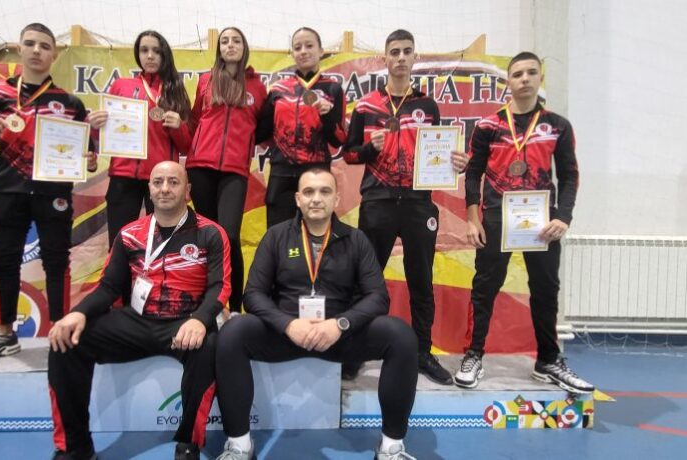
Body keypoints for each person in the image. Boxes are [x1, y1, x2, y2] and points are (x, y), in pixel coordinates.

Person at [215, 168, 419, 460]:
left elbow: (378, 297)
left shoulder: (356, 239)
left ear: (336, 199)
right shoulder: (275, 236)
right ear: (298, 199)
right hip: (286, 334)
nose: (316, 198)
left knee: (401, 336)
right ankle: (239, 445)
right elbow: (253, 295)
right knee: (232, 333)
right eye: (309, 192)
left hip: (337, 336)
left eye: (325, 191)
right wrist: (288, 325)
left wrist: (341, 324)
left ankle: (390, 447)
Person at [47, 161, 231, 460]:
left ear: (188, 190)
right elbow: (108, 287)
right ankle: (75, 447)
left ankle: (188, 444)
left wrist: (200, 320)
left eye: (173, 182)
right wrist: (77, 313)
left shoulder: (211, 232)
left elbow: (219, 287)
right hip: (137, 321)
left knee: (209, 346)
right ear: (150, 189)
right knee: (67, 342)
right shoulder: (129, 233)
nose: (165, 189)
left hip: (186, 323)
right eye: (158, 182)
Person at [453, 52, 594, 394]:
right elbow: (473, 172)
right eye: (518, 74)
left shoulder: (557, 126)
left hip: (542, 220)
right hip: (497, 217)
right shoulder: (488, 126)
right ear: (508, 82)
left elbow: (570, 175)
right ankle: (474, 355)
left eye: (531, 72)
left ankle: (548, 360)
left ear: (540, 78)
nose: (525, 79)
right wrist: (472, 217)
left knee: (545, 289)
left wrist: (563, 216)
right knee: (484, 287)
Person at [0, 23, 96, 367]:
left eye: (44, 46)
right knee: (4, 260)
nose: (37, 50)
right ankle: (4, 332)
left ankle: (61, 332)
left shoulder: (70, 103)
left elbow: (88, 152)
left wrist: (90, 158)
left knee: (56, 261)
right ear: (19, 48)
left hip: (54, 193)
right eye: (30, 44)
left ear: (54, 54)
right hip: (7, 189)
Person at [343, 29, 468, 384]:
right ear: (384, 58)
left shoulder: (427, 106)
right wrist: (369, 149)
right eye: (394, 52)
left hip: (418, 204)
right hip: (378, 202)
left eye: (406, 51)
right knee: (366, 281)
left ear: (415, 58)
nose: (400, 57)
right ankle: (354, 352)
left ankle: (422, 352)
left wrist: (455, 164)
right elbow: (348, 154)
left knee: (421, 281)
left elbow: (439, 152)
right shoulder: (366, 105)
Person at [186, 26, 267, 315]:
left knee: (229, 236)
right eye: (224, 41)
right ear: (219, 48)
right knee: (207, 239)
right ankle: (208, 306)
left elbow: (262, 130)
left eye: (236, 41)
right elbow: (195, 120)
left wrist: (243, 146)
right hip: (200, 168)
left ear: (244, 47)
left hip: (235, 171)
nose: (230, 45)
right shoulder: (205, 80)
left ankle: (234, 308)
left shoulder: (257, 87)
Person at [88, 30, 192, 247]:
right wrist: (96, 127)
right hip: (123, 175)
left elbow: (186, 146)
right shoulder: (121, 86)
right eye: (144, 50)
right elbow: (104, 136)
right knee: (119, 243)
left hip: (161, 179)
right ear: (138, 54)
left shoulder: (175, 91)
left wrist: (178, 127)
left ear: (164, 55)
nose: (150, 56)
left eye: (156, 51)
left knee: (162, 244)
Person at [255, 27, 347, 229]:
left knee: (317, 233)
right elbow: (260, 133)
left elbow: (339, 139)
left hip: (316, 173)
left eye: (309, 46)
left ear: (321, 51)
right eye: (298, 47)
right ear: (292, 53)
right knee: (279, 234)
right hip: (281, 174)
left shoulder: (332, 88)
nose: (303, 51)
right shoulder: (278, 89)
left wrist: (328, 115)